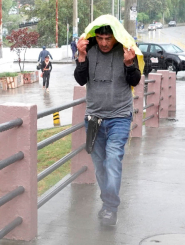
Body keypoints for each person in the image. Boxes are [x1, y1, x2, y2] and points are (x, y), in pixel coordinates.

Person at [74, 25, 141, 226]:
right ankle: (107, 205)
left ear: (115, 38)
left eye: (108, 38)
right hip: (94, 118)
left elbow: (135, 80)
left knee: (112, 161)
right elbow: (80, 80)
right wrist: (81, 56)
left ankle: (110, 208)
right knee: (101, 167)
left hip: (119, 117)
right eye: (101, 38)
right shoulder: (89, 51)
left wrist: (129, 64)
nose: (104, 43)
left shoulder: (127, 50)